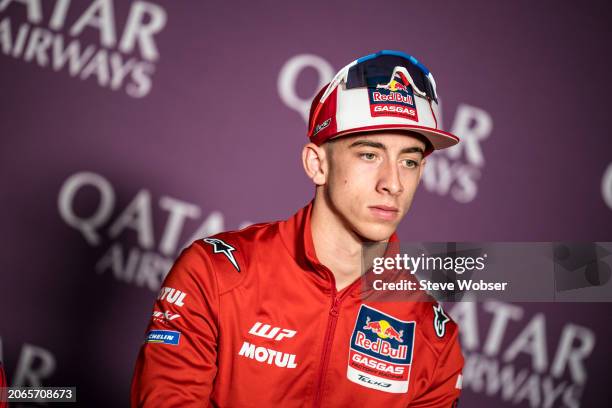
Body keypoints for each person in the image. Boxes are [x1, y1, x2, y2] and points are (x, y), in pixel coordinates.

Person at [131, 50, 464, 407]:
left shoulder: (432, 336)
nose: (393, 183)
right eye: (369, 155)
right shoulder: (214, 274)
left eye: (409, 161)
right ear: (317, 165)